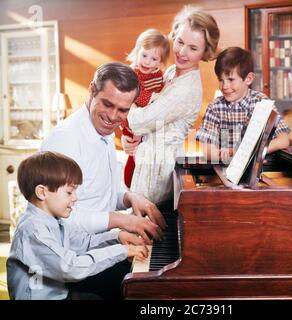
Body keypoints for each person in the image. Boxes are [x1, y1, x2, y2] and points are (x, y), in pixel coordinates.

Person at [40, 62, 166, 243]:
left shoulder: (103, 131)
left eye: (123, 110)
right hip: (71, 258)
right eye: (108, 104)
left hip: (100, 247)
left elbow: (102, 195)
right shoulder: (64, 140)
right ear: (92, 90)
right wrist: (121, 220)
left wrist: (130, 198)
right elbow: (54, 218)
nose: (113, 117)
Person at [7, 151, 148, 300]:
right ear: (42, 192)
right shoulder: (32, 231)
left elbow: (84, 243)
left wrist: (117, 237)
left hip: (61, 294)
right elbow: (70, 267)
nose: (75, 198)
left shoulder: (55, 220)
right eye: (69, 192)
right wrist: (122, 251)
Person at [123, 6, 220, 204]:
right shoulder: (171, 72)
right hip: (147, 160)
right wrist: (131, 138)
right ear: (174, 36)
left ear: (204, 52)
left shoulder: (186, 88)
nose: (182, 52)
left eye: (193, 48)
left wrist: (126, 106)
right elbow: (144, 120)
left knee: (146, 227)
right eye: (180, 42)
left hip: (158, 170)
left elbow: (140, 121)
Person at [196, 47, 290, 163]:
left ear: (248, 79)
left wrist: (250, 153)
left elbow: (283, 140)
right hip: (225, 171)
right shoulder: (215, 107)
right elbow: (207, 150)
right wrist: (225, 155)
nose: (224, 86)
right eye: (221, 80)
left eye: (231, 79)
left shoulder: (262, 102)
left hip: (257, 172)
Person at [122, 28, 170, 188]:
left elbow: (161, 90)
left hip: (148, 123)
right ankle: (130, 181)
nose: (147, 61)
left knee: (142, 154)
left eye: (154, 58)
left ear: (160, 61)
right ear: (137, 52)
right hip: (130, 121)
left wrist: (164, 90)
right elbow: (135, 95)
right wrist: (155, 97)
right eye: (144, 55)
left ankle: (136, 179)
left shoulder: (158, 75)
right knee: (133, 150)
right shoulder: (132, 73)